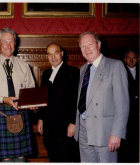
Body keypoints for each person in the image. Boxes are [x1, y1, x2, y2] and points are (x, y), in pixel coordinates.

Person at [0, 28, 35, 162]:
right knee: (6, 159)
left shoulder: (24, 65)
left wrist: (33, 104)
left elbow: (31, 91)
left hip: (21, 112)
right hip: (0, 113)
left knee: (21, 158)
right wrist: (3, 99)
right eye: (5, 42)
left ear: (15, 44)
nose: (8, 45)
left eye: (11, 42)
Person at [74, 32, 129, 163]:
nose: (87, 49)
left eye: (90, 44)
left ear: (98, 44)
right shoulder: (82, 70)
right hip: (83, 129)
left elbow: (123, 105)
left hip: (104, 131)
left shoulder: (115, 66)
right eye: (83, 46)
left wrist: (117, 133)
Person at [37, 43, 80, 162]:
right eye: (49, 54)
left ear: (62, 53)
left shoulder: (73, 72)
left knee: (67, 157)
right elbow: (42, 98)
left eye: (55, 53)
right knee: (53, 156)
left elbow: (75, 99)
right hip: (49, 126)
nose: (53, 57)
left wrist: (73, 123)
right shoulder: (45, 74)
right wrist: (40, 118)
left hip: (65, 125)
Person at [118, 50, 139, 162]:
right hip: (127, 110)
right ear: (125, 59)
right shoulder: (121, 71)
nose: (131, 60)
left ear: (138, 59)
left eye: (134, 58)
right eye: (129, 58)